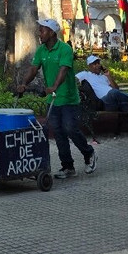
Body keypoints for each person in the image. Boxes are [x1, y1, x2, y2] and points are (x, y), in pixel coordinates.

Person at [17, 18, 96, 179]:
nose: (40, 33)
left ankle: (89, 153)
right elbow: (33, 69)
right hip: (52, 100)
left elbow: (64, 69)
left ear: (52, 32)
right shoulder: (41, 50)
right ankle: (67, 166)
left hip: (68, 98)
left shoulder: (65, 49)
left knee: (70, 129)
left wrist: (54, 86)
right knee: (58, 133)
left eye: (42, 30)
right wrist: (23, 84)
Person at [76, 56, 128, 147]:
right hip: (104, 102)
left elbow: (116, 89)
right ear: (89, 66)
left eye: (98, 63)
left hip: (117, 102)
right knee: (113, 93)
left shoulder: (104, 77)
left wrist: (109, 76)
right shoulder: (85, 75)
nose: (98, 65)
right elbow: (72, 80)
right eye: (94, 64)